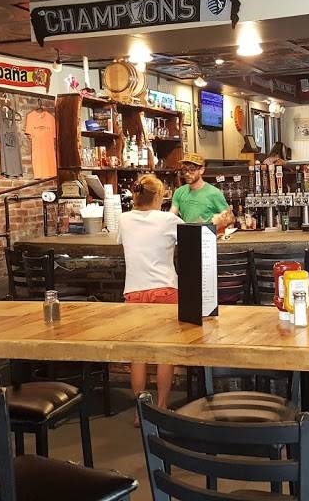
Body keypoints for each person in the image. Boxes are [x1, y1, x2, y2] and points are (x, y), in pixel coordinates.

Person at [118, 174, 183, 425]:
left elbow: (121, 241)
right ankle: (162, 407)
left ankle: (140, 412)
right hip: (165, 290)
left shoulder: (124, 219)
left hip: (134, 291)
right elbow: (196, 237)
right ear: (158, 197)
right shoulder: (167, 219)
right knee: (165, 352)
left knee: (138, 354)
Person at [170, 152, 234, 229]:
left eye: (192, 170)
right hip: (187, 233)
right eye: (184, 170)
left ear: (201, 170)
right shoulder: (179, 192)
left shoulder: (214, 193)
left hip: (207, 235)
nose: (187, 174)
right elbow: (172, 216)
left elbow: (230, 218)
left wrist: (220, 221)